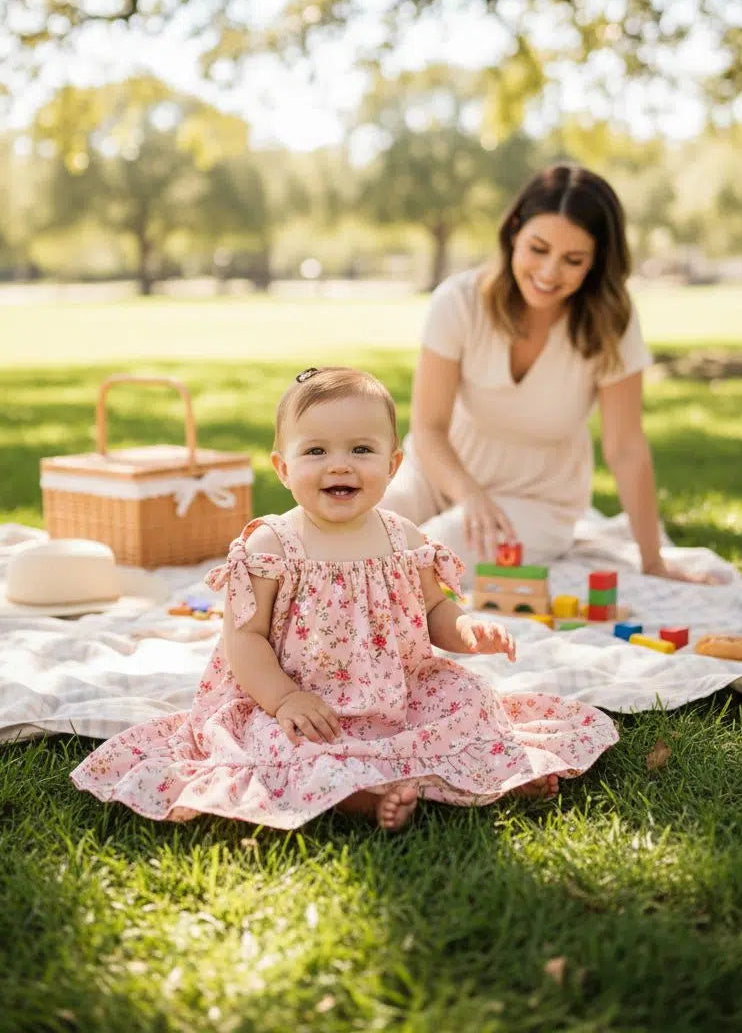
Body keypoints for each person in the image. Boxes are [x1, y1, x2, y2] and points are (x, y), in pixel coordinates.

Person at [71, 366, 618, 831]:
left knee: (470, 703)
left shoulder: (404, 538)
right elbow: (245, 639)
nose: (340, 464)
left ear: (393, 465)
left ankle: (499, 771)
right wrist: (283, 700)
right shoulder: (271, 546)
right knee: (282, 747)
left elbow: (434, 612)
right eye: (316, 451)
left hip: (396, 696)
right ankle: (366, 798)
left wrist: (468, 630)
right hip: (305, 702)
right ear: (284, 469)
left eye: (361, 449)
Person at [380, 162, 709, 584]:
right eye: (538, 248)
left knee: (426, 557)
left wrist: (653, 561)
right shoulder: (458, 302)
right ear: (514, 230)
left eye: (573, 259)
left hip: (536, 502)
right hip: (439, 476)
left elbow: (626, 447)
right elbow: (427, 428)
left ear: (596, 262)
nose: (550, 273)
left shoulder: (611, 322)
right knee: (361, 531)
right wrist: (469, 495)